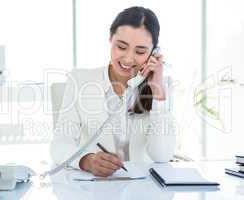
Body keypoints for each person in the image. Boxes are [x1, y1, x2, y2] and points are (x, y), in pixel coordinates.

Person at [50, 6, 176, 177]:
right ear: (110, 38)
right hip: (96, 187)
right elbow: (60, 144)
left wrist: (157, 91)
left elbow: (162, 156)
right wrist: (87, 160)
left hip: (145, 188)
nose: (128, 58)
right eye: (121, 47)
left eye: (140, 51)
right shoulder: (79, 80)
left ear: (154, 53)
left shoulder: (162, 85)